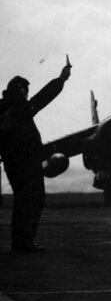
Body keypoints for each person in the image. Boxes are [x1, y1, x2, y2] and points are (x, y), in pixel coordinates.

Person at [0, 57, 72, 252]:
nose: (26, 94)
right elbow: (42, 98)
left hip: (15, 163)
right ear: (18, 90)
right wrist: (61, 79)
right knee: (31, 200)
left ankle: (22, 241)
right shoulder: (17, 108)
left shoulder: (5, 109)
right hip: (25, 164)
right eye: (24, 90)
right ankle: (24, 242)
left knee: (24, 200)